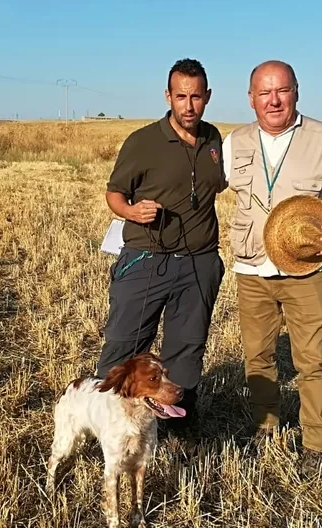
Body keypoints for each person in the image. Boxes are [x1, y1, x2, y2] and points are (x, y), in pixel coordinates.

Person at [223, 60, 322, 476]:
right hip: (251, 270)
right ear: (251, 98)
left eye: (281, 90)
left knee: (312, 361)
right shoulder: (235, 142)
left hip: (306, 271)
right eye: (264, 92)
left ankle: (315, 446)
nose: (273, 100)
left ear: (296, 92)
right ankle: (265, 427)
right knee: (258, 357)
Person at [95, 58, 226, 441]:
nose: (188, 105)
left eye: (196, 96)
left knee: (187, 348)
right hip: (146, 259)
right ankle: (108, 424)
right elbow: (114, 194)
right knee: (125, 342)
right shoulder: (143, 142)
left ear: (207, 97)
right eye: (181, 96)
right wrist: (131, 210)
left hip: (199, 261)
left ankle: (177, 427)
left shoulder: (214, 140)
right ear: (168, 96)